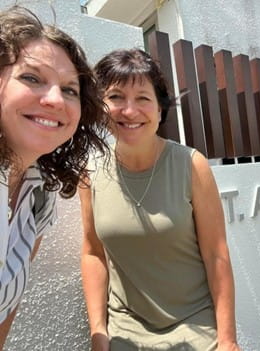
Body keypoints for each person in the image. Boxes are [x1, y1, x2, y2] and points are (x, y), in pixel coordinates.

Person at [79, 48, 240, 351]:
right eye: (115, 97)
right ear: (100, 105)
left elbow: (216, 254)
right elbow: (93, 253)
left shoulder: (191, 165)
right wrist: (98, 332)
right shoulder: (89, 173)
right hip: (125, 330)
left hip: (195, 328)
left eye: (142, 98)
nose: (129, 111)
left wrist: (228, 340)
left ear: (160, 108)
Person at [0, 6, 108, 349]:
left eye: (70, 90)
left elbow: (6, 308)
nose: (54, 100)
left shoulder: (39, 196)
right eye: (32, 78)